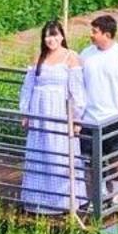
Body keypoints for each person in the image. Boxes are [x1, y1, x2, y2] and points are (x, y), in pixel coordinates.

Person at [17, 20, 85, 217]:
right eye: (47, 36)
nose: (51, 39)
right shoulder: (39, 56)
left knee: (59, 152)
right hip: (39, 111)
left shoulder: (71, 57)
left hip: (59, 111)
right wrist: (25, 112)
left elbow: (77, 91)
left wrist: (77, 118)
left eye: (54, 35)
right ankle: (37, 199)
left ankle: (63, 200)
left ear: (62, 36)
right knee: (39, 152)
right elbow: (28, 86)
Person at [79, 13, 118, 208]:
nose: (91, 35)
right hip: (89, 117)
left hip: (112, 116)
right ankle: (99, 193)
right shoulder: (86, 54)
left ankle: (117, 191)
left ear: (107, 34)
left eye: (94, 32)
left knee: (115, 157)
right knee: (91, 159)